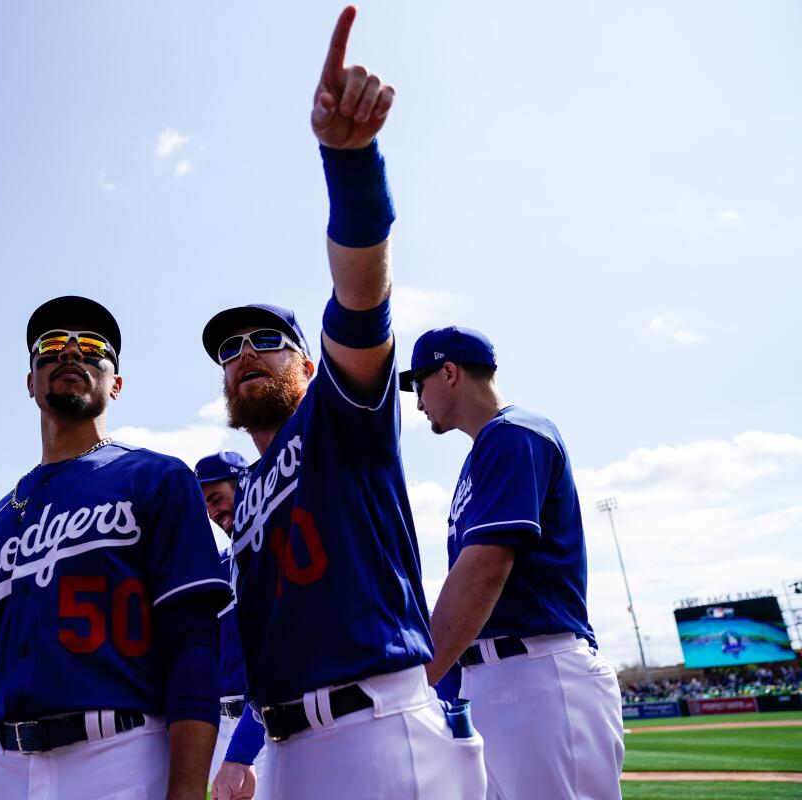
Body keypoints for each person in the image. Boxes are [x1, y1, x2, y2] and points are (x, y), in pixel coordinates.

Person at [197, 8, 488, 798]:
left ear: (303, 357)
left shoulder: (339, 414)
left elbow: (361, 301)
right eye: (229, 349)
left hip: (376, 730)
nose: (245, 352)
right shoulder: (246, 498)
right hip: (285, 745)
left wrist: (350, 164)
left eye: (265, 338)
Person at [0, 295, 231, 800]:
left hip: (121, 755)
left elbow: (192, 641)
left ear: (116, 384)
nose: (70, 353)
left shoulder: (157, 477)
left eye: (92, 346)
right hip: (8, 768)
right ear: (30, 383)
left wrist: (184, 792)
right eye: (50, 347)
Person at [401, 325, 625, 799]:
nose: (418, 402)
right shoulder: (483, 451)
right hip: (493, 680)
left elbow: (485, 570)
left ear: (449, 372)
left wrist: (418, 681)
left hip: (540, 676)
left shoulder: (516, 433)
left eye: (420, 385)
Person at [193, 452, 273, 800]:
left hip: (266, 724)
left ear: (245, 485)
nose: (213, 513)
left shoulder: (275, 548)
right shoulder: (216, 568)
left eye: (217, 498)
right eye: (205, 506)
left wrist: (244, 748)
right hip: (221, 727)